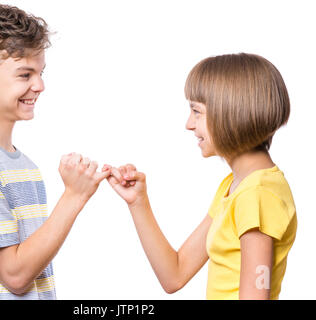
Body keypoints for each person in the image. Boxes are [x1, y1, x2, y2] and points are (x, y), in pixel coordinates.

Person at [0, 3, 110, 300]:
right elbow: (15, 275)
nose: (40, 85)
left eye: (40, 73)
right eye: (25, 75)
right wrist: (74, 196)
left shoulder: (17, 162)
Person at [103, 53, 297, 300]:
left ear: (231, 112)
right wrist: (137, 202)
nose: (189, 124)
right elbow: (175, 274)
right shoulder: (235, 187)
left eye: (197, 111)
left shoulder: (257, 195)